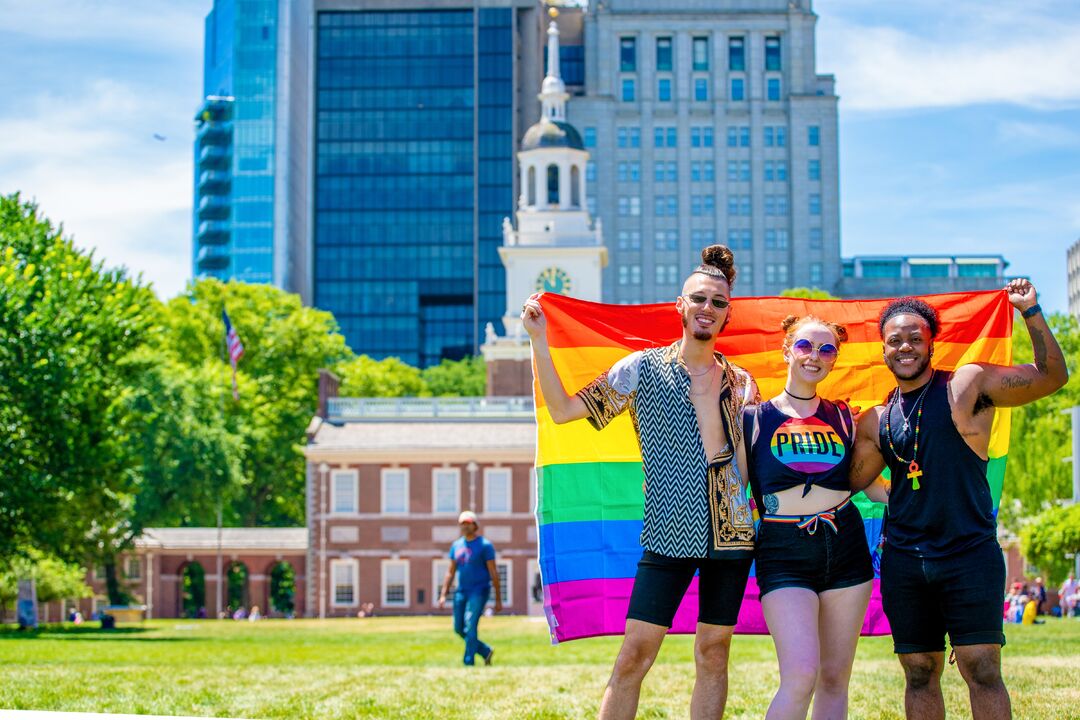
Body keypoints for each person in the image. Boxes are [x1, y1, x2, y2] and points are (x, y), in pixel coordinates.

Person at [522, 245, 759, 720]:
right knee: (635, 655)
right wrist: (538, 341)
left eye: (717, 302)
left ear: (727, 313)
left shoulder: (743, 382)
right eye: (699, 299)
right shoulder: (640, 368)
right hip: (668, 533)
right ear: (680, 304)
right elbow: (567, 410)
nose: (707, 308)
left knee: (713, 651)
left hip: (732, 534)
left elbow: (752, 466)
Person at [850, 279, 1068, 720]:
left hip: (969, 552)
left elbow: (1052, 377)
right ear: (884, 350)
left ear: (933, 343)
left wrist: (1030, 311)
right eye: (895, 340)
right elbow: (846, 480)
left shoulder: (966, 386)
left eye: (915, 337)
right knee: (917, 672)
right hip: (906, 560)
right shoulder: (875, 419)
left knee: (982, 668)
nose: (905, 346)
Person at [744, 315, 878, 720]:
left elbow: (872, 487)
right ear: (786, 350)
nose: (814, 356)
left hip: (846, 546)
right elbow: (731, 488)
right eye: (804, 346)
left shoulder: (844, 417)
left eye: (826, 349)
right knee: (802, 675)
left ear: (834, 360)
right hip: (783, 552)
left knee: (835, 678)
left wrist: (935, 495)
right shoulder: (752, 418)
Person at [438, 510, 502, 666]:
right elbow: (450, 571)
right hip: (462, 591)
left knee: (470, 623)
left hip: (479, 590)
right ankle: (485, 651)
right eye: (462, 524)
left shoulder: (485, 546)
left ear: (475, 525)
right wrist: (443, 594)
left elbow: (493, 572)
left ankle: (468, 663)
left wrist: (498, 599)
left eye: (467, 523)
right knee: (459, 628)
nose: (464, 526)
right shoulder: (456, 545)